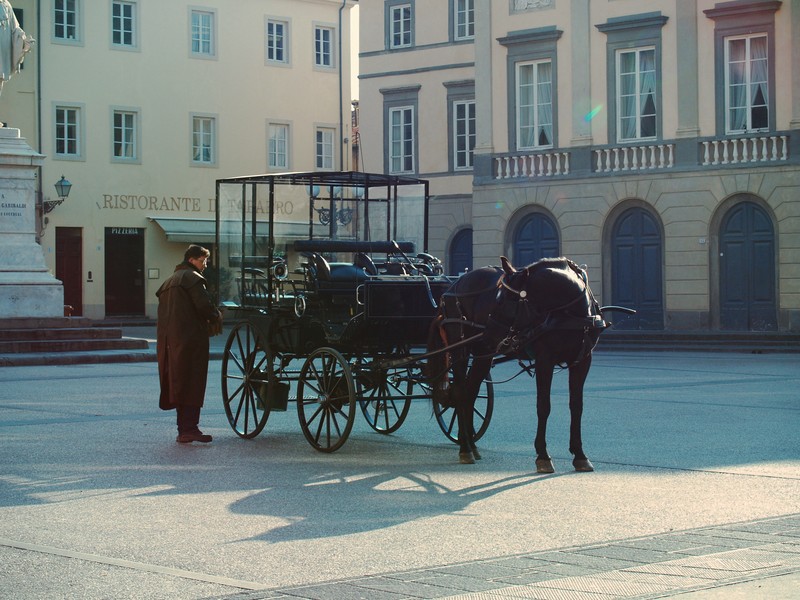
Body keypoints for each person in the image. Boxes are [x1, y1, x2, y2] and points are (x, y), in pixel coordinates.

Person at [156, 245, 222, 443]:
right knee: (192, 381)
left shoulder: (169, 281)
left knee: (179, 383)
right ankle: (190, 428)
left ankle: (184, 429)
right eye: (203, 261)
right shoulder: (193, 278)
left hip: (170, 340)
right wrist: (215, 315)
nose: (204, 265)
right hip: (190, 339)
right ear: (192, 260)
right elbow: (204, 306)